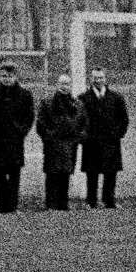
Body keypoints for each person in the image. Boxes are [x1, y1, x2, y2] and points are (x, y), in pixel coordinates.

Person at [0, 60, 36, 214]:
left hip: (15, 141)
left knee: (14, 174)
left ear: (16, 76)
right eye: (3, 76)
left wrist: (21, 131)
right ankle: (1, 207)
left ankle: (13, 207)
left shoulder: (25, 95)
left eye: (10, 76)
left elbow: (29, 117)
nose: (6, 79)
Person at [34, 72, 87, 210]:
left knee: (65, 175)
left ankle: (63, 205)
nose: (65, 86)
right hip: (52, 146)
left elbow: (84, 124)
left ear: (71, 86)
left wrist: (76, 139)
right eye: (62, 83)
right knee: (52, 175)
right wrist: (50, 138)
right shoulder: (47, 103)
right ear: (57, 85)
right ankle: (50, 205)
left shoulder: (77, 104)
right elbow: (40, 125)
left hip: (70, 146)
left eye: (67, 84)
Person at [80, 67, 130, 209]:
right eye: (95, 78)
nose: (98, 80)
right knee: (92, 173)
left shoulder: (116, 98)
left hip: (111, 142)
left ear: (105, 78)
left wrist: (117, 134)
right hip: (91, 143)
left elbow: (124, 119)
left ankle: (109, 201)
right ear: (91, 79)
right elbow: (79, 120)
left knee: (111, 172)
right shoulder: (83, 98)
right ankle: (91, 201)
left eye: (101, 77)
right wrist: (84, 138)